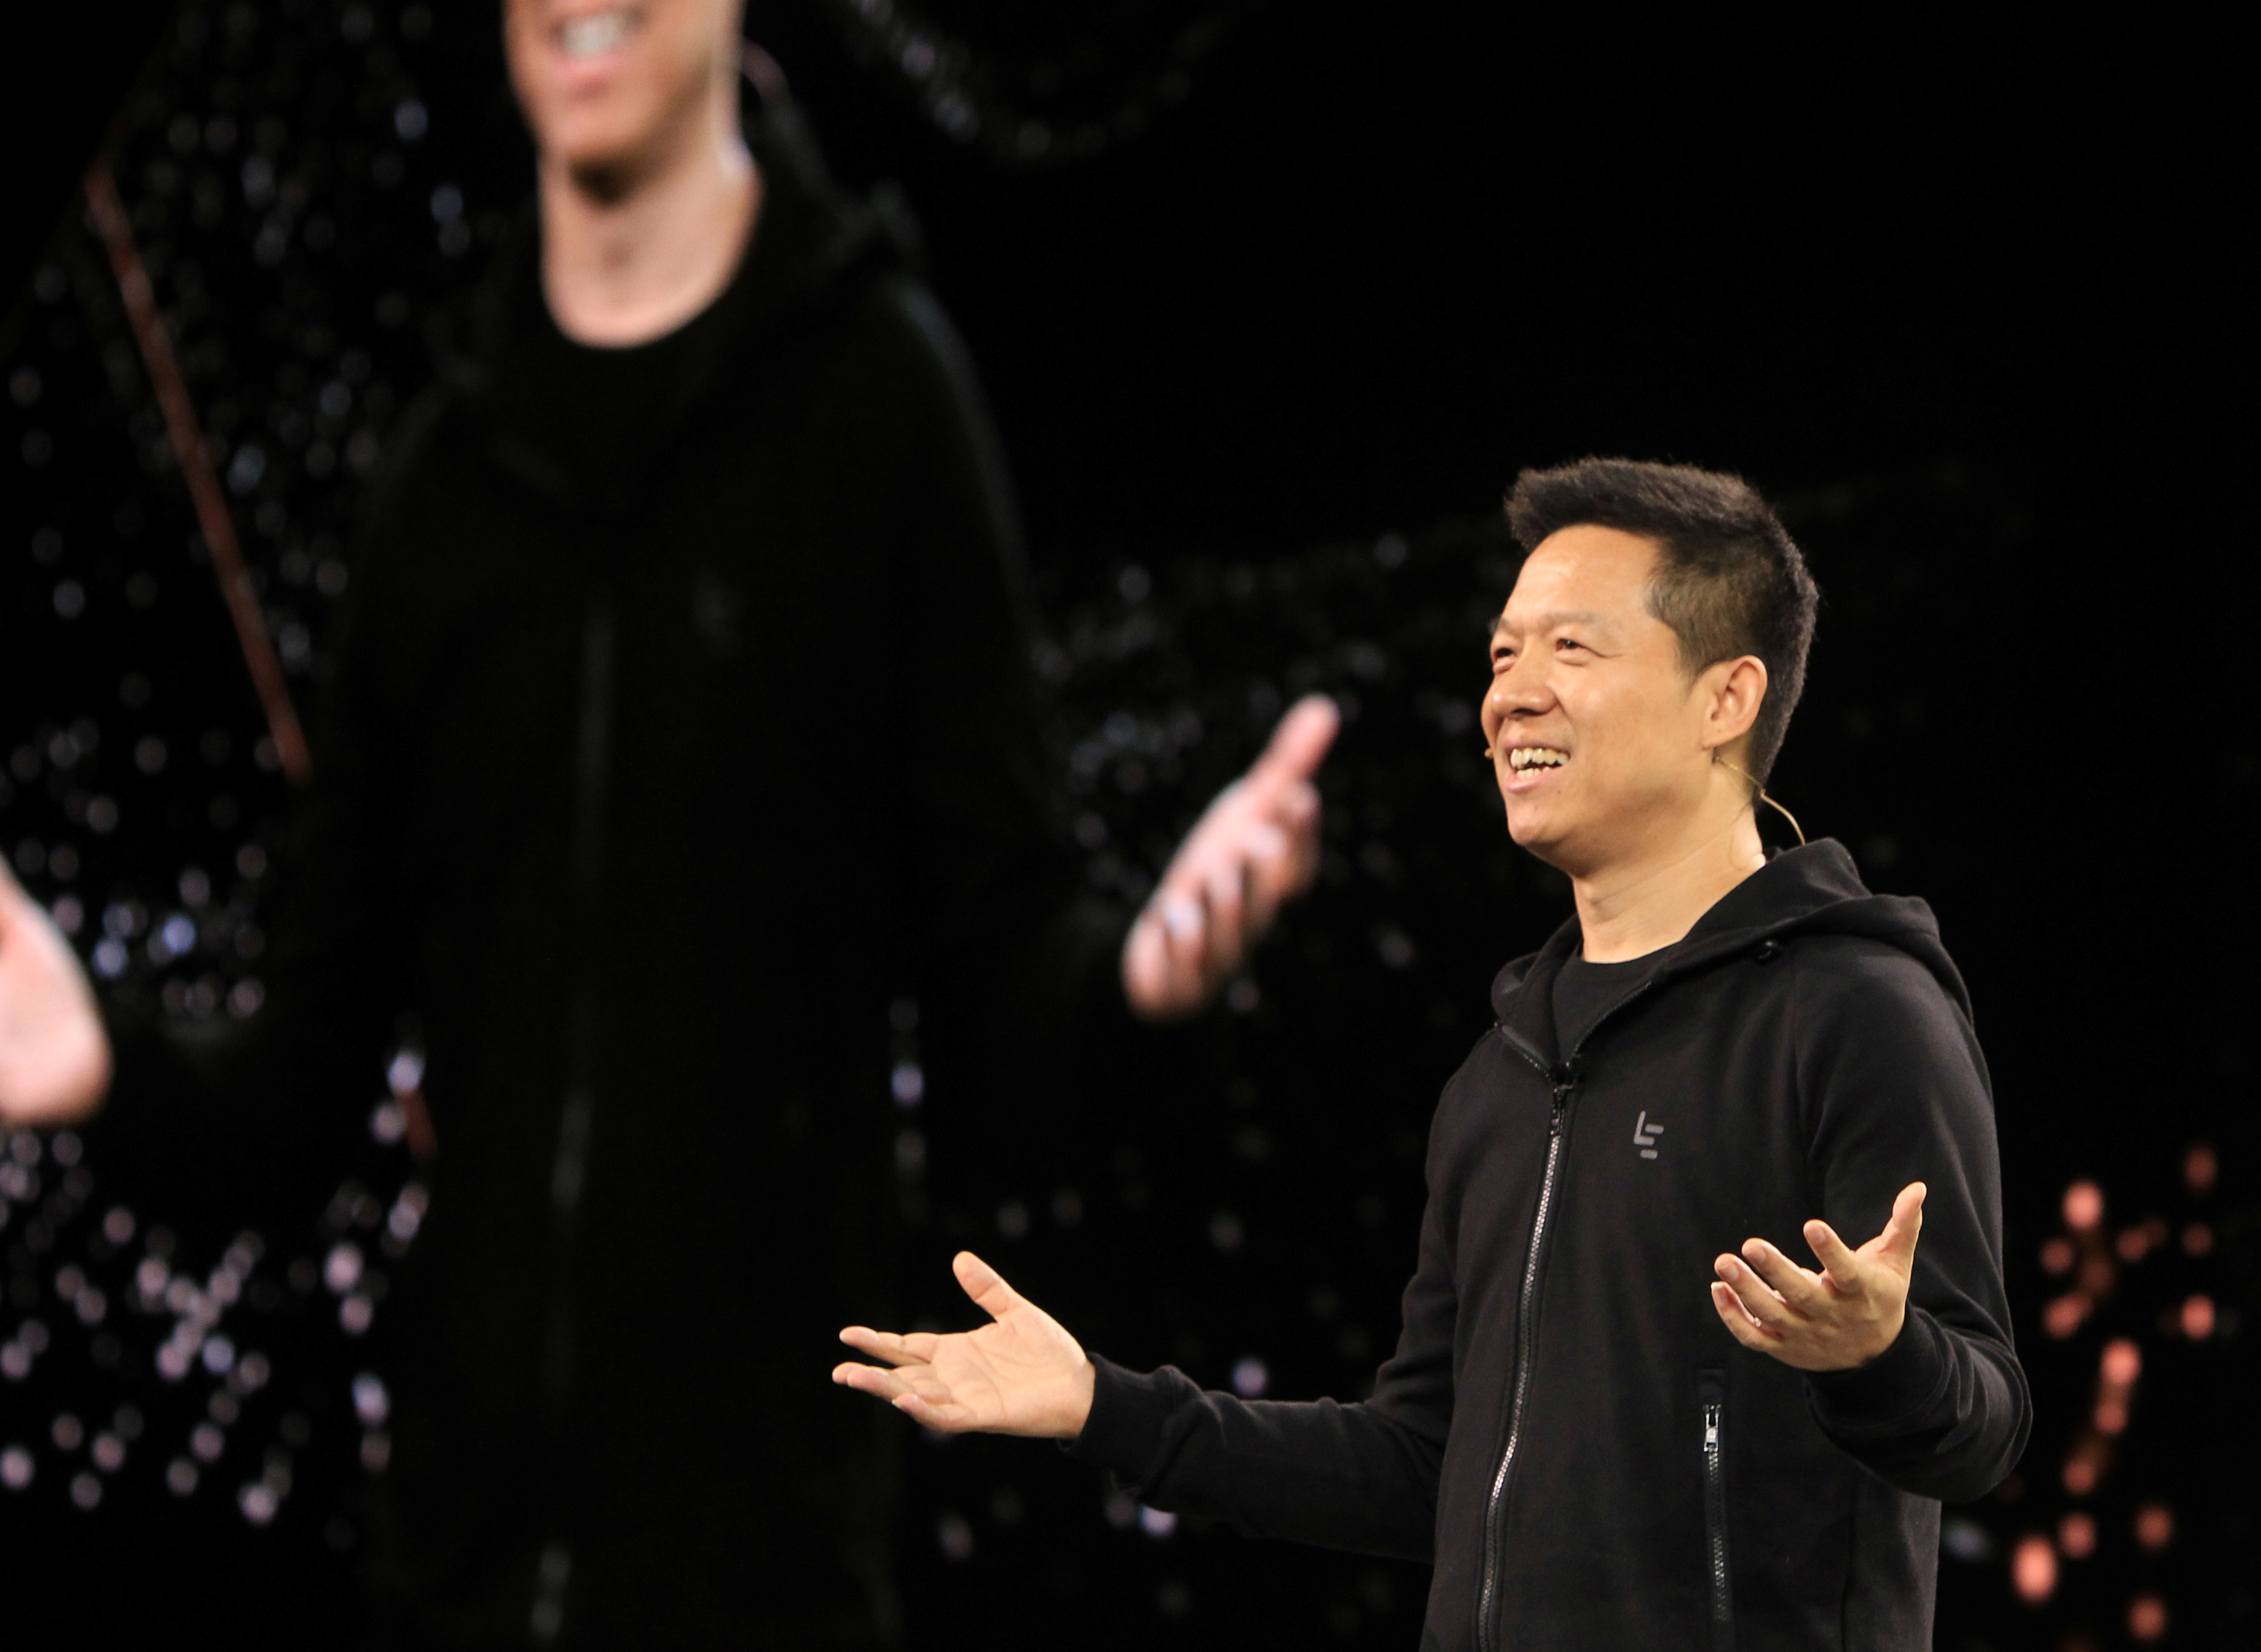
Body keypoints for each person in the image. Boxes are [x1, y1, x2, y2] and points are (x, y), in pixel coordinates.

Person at [0, 0, 1334, 1643]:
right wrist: (111, 1072)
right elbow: (300, 1089)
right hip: (456, 1578)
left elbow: (1012, 1025)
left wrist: (1150, 981)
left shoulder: (879, 406)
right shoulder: (441, 485)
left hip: (769, 1585)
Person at [834, 457, 2029, 1650]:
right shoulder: (1501, 1076)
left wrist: (1882, 1354)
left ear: (1726, 699)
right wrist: (1104, 1407)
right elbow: (1427, 1468)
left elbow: (1982, 1427)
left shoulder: (1855, 1009)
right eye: (1503, 656)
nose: (1512, 696)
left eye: (1572, 649)